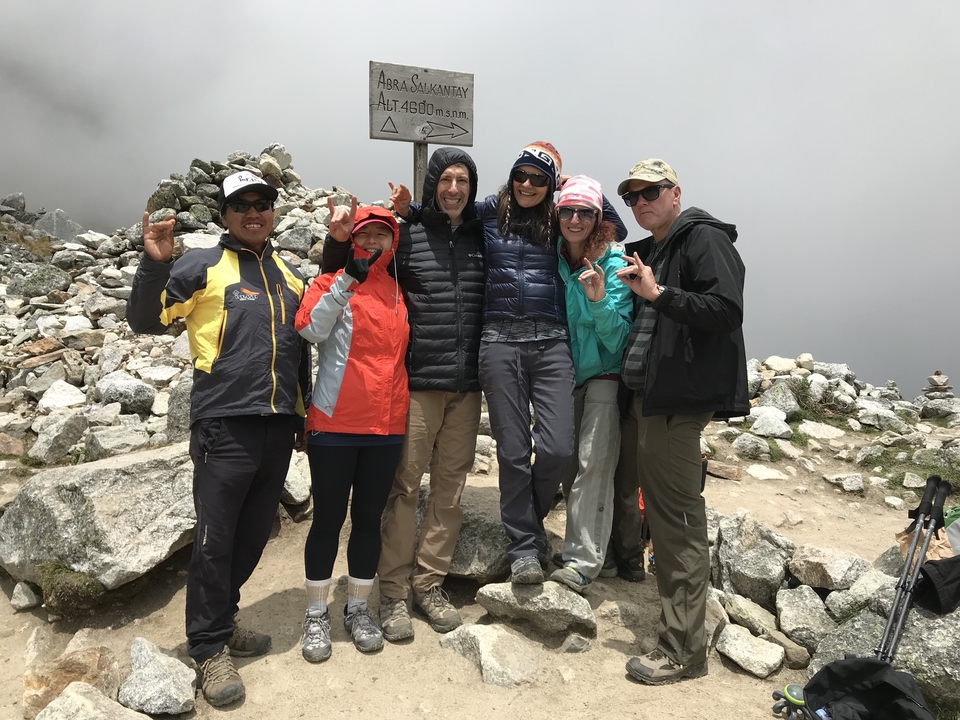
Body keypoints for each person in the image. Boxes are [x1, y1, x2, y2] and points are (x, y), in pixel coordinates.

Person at [127, 170, 311, 707]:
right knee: (215, 540)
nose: (254, 212)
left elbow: (300, 350)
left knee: (254, 535)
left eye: (263, 203)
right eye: (241, 205)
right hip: (223, 426)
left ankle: (223, 621)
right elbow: (145, 321)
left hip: (277, 425)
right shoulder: (199, 266)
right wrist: (154, 262)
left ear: (274, 211)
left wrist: (300, 415)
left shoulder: (289, 273)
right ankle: (207, 647)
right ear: (224, 215)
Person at [321, 148, 485, 640]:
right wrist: (339, 242)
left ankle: (428, 584)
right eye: (446, 180)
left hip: (467, 385)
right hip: (418, 383)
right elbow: (357, 272)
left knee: (451, 490)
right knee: (404, 489)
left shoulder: (482, 236)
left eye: (463, 181)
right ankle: (391, 594)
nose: (454, 188)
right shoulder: (408, 236)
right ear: (433, 184)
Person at [613, 159, 748, 685]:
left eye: (651, 191)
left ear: (676, 193)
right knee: (668, 522)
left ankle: (682, 651)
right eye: (633, 196)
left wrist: (659, 294)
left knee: (677, 526)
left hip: (677, 403)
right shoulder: (658, 250)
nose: (642, 201)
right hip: (653, 400)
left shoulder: (702, 239)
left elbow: (725, 309)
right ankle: (679, 633)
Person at [295, 201, 409, 662]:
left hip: (385, 426)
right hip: (335, 423)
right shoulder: (326, 283)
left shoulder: (399, 292)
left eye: (383, 235)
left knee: (366, 523)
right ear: (351, 240)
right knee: (326, 521)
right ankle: (316, 614)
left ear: (393, 242)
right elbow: (310, 330)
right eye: (365, 234)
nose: (373, 242)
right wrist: (346, 280)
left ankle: (358, 607)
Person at [547, 176, 633, 594]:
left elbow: (618, 338)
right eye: (567, 210)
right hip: (568, 377)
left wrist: (599, 300)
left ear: (599, 217)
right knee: (565, 462)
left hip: (606, 377)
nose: (575, 218)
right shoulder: (557, 260)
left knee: (592, 467)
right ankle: (604, 554)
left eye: (585, 212)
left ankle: (581, 563)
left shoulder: (615, 263)